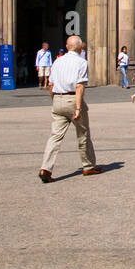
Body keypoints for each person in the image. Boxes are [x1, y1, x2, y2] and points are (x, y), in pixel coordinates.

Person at [38, 35, 100, 182]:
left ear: (67, 47)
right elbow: (79, 86)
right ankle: (88, 166)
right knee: (83, 133)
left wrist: (55, 100)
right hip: (73, 99)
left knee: (55, 137)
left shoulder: (57, 61)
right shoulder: (81, 62)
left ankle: (45, 168)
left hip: (57, 99)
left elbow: (51, 85)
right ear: (80, 48)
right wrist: (78, 108)